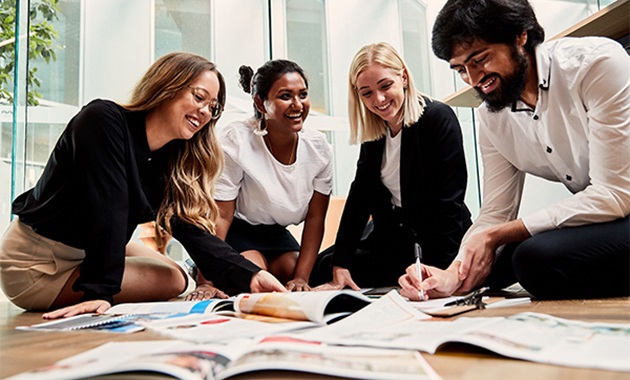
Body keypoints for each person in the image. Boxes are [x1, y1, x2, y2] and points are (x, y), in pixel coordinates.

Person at [0, 52, 286, 317]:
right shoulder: (101, 120)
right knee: (174, 280)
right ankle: (102, 273)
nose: (206, 112)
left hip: (87, 249)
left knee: (178, 274)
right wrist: (101, 291)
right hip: (35, 265)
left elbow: (189, 230)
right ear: (167, 86)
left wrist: (251, 276)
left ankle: (113, 266)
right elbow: (109, 205)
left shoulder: (166, 162)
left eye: (213, 106)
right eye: (199, 97)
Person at [399, 0, 630, 300]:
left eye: (480, 59)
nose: (473, 79)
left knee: (532, 258)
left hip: (621, 202)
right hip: (608, 216)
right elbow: (496, 210)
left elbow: (614, 195)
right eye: (460, 70)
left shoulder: (596, 64)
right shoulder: (491, 117)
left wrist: (496, 236)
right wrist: (453, 273)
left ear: (519, 36)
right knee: (492, 265)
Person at [311, 42, 472, 290]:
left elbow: (449, 201)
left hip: (439, 236)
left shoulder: (437, 118)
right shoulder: (376, 131)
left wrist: (441, 272)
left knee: (422, 276)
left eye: (386, 86)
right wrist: (340, 266)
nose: (379, 99)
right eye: (367, 93)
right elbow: (359, 197)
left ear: (404, 77)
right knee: (325, 266)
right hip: (394, 238)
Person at [189, 59, 333, 297]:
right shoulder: (237, 140)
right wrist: (207, 281)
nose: (297, 104)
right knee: (252, 276)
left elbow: (316, 218)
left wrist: (301, 278)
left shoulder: (320, 148)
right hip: (238, 230)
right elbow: (222, 216)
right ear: (260, 102)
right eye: (285, 96)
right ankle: (197, 268)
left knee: (291, 273)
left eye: (303, 94)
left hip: (277, 233)